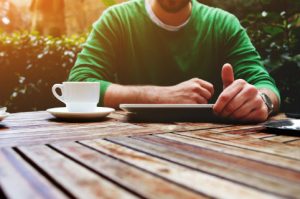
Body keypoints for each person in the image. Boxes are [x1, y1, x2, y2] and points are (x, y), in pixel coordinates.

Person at [69, 0, 280, 122]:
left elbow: (264, 85)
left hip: (215, 148)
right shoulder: (117, 19)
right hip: (129, 144)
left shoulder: (223, 23)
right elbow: (80, 83)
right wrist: (160, 96)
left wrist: (263, 101)